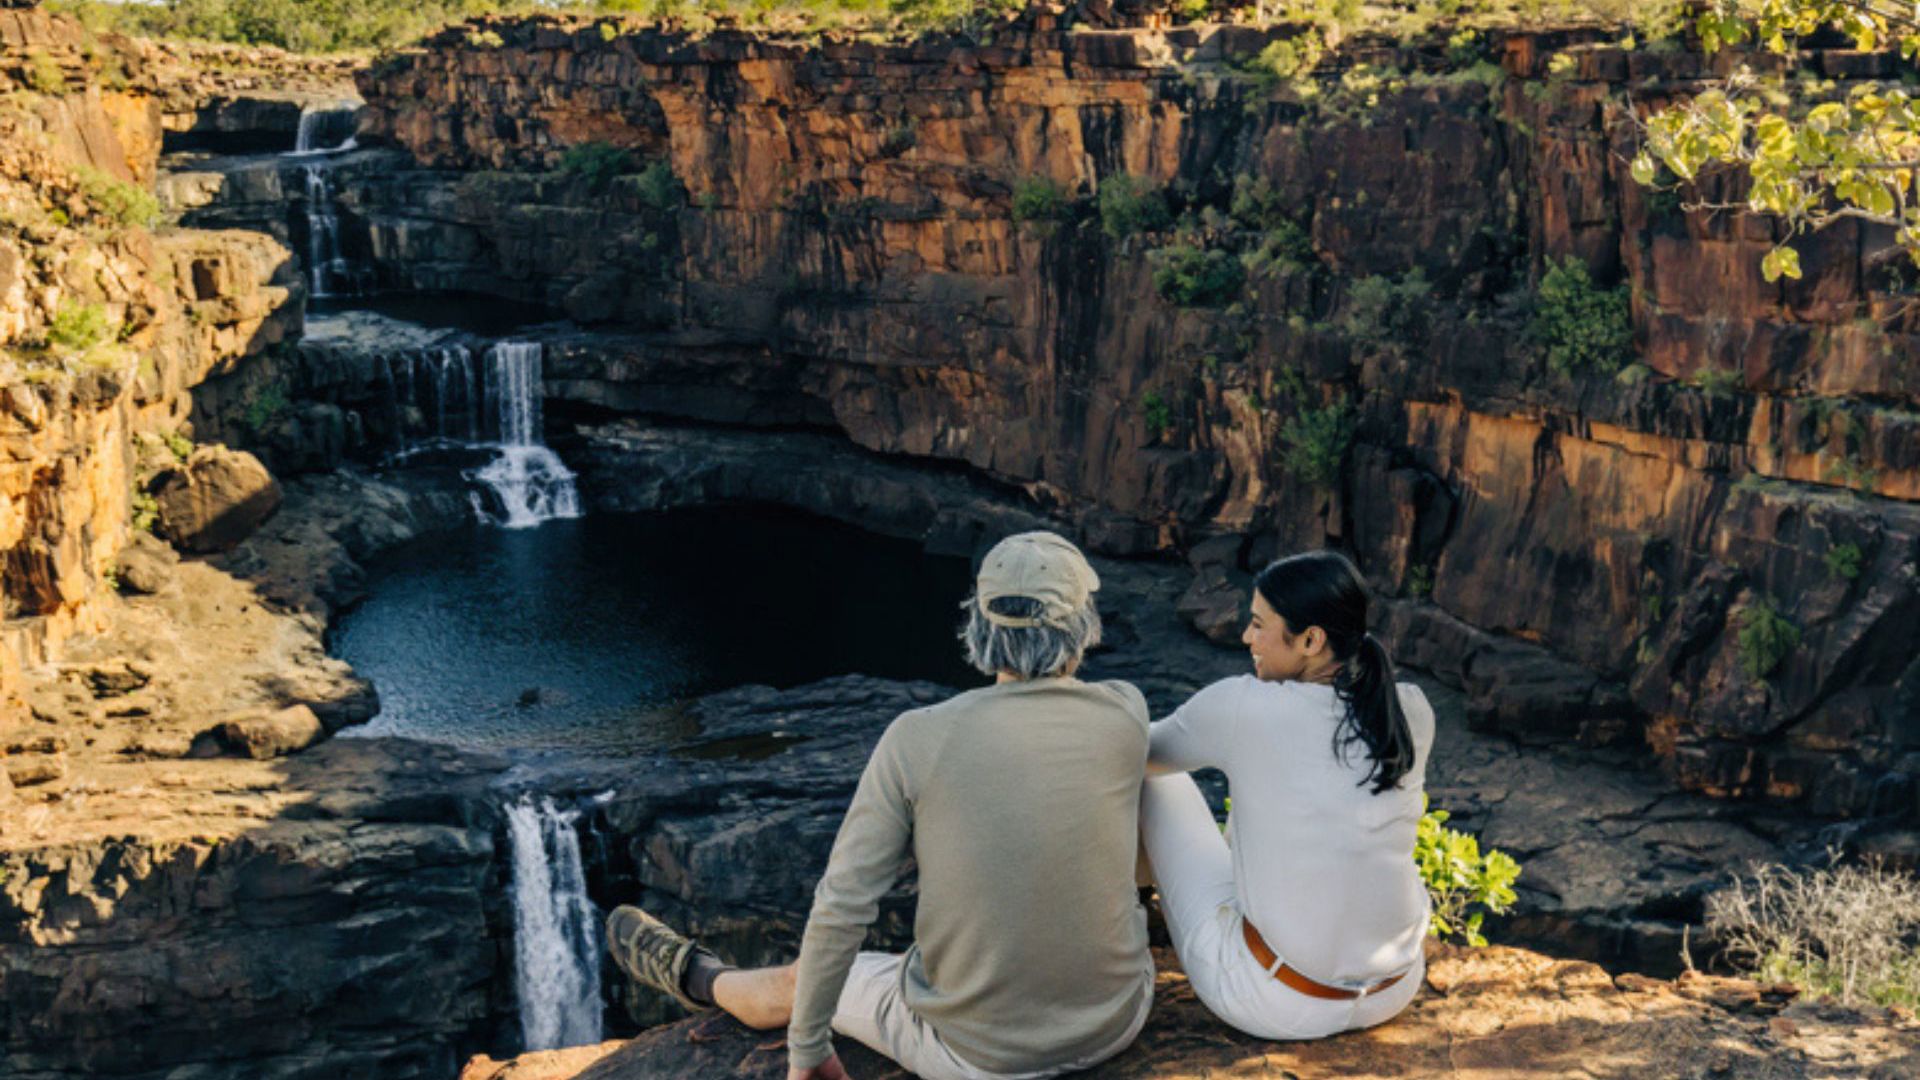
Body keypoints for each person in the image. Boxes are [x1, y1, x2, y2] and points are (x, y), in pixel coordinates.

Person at [605, 531, 1155, 1080]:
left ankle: (702, 978)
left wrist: (808, 1048)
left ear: (981, 626)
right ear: (1083, 626)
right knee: (1159, 784)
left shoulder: (918, 738)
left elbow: (843, 906)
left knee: (811, 980)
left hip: (974, 1059)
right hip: (1115, 1021)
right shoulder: (1126, 711)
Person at [1140, 549, 1435, 1041]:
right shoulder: (1411, 710)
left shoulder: (1244, 708)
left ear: (1311, 640)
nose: (1246, 637)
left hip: (1277, 1003)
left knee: (1159, 782)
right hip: (1394, 989)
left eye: (1259, 624)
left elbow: (1137, 752)